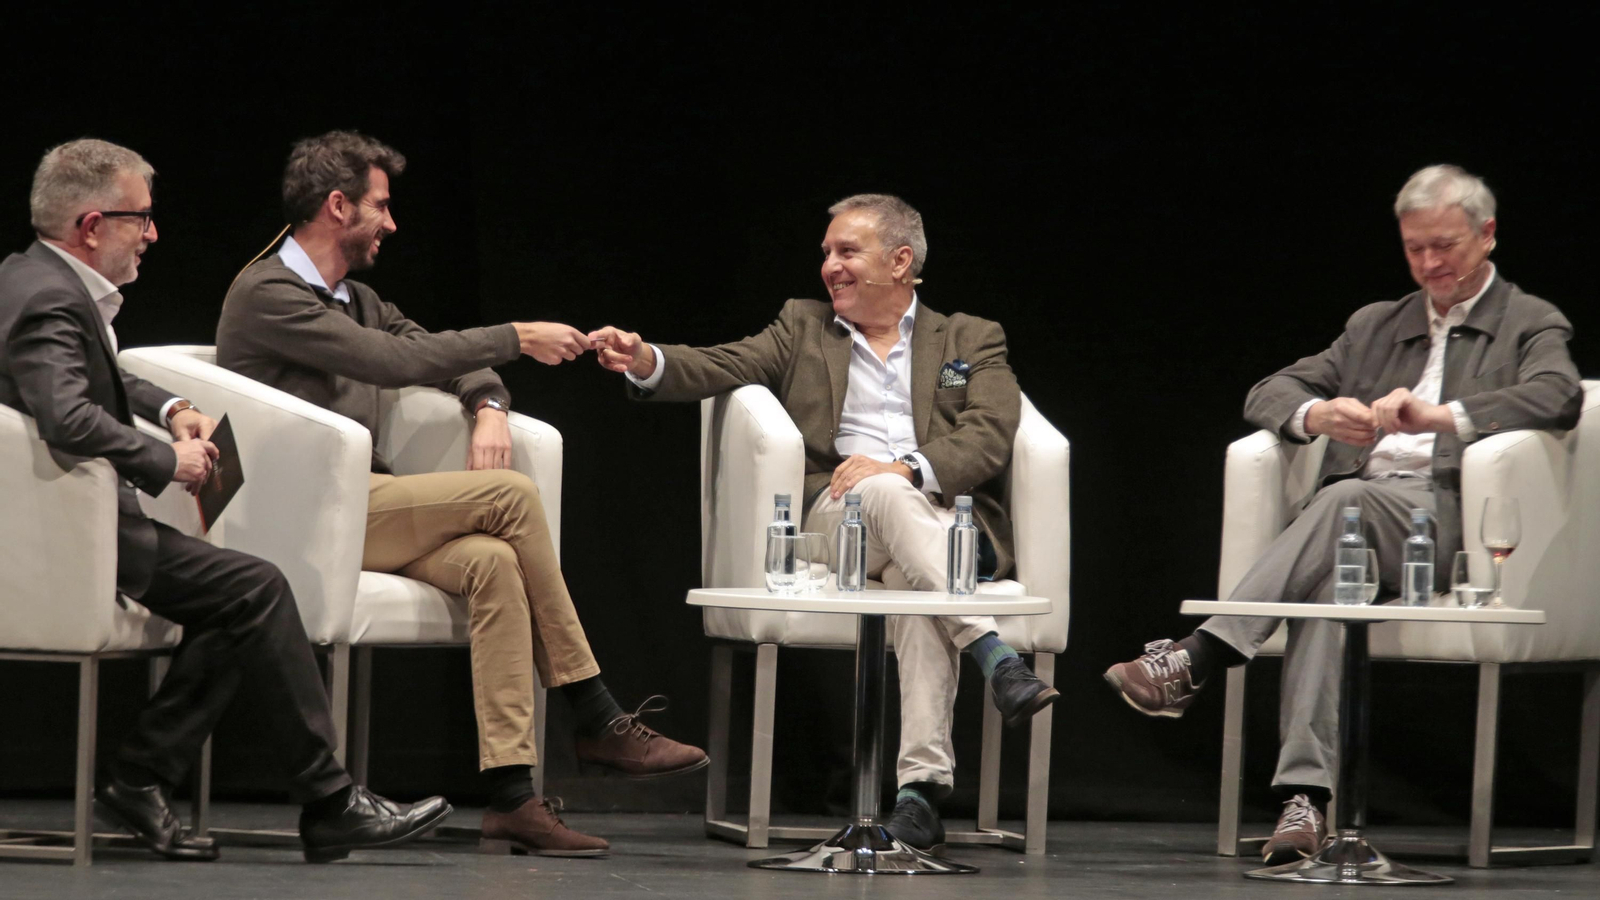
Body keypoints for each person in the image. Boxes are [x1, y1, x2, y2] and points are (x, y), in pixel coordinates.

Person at [217, 130, 706, 858]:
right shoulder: (269, 295)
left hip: (361, 505)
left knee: (492, 562)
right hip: (297, 515)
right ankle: (596, 711)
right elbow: (393, 361)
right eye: (381, 207)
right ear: (338, 205)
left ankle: (513, 797)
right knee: (507, 498)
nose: (392, 222)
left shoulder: (357, 297)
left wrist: (489, 405)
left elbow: (432, 346)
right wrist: (514, 336)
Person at [1104, 164, 1583, 864]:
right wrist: (1315, 413)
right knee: (1332, 585)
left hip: (1447, 523)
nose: (1429, 264)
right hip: (1352, 527)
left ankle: (1199, 656)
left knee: (1343, 503)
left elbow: (1560, 396)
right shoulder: (1376, 325)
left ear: (1487, 235)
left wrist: (1443, 416)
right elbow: (1268, 390)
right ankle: (1307, 804)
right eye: (1415, 248)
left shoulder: (1527, 320)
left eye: (1444, 245)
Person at [0, 138, 451, 863]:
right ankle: (329, 801)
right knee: (259, 588)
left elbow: (100, 381)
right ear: (91, 225)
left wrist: (172, 403)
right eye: (139, 219)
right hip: (70, 539)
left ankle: (141, 778)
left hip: (81, 526)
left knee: (246, 599)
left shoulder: (36, 281)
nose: (152, 233)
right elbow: (66, 415)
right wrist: (164, 458)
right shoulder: (49, 299)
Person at [587, 193, 1059, 852]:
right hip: (842, 522)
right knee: (880, 500)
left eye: (846, 251)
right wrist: (645, 359)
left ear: (900, 262)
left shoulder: (969, 338)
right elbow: (722, 364)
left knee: (914, 584)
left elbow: (988, 433)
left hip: (939, 528)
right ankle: (993, 653)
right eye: (826, 254)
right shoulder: (803, 328)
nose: (829, 267)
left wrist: (906, 469)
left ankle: (920, 794)